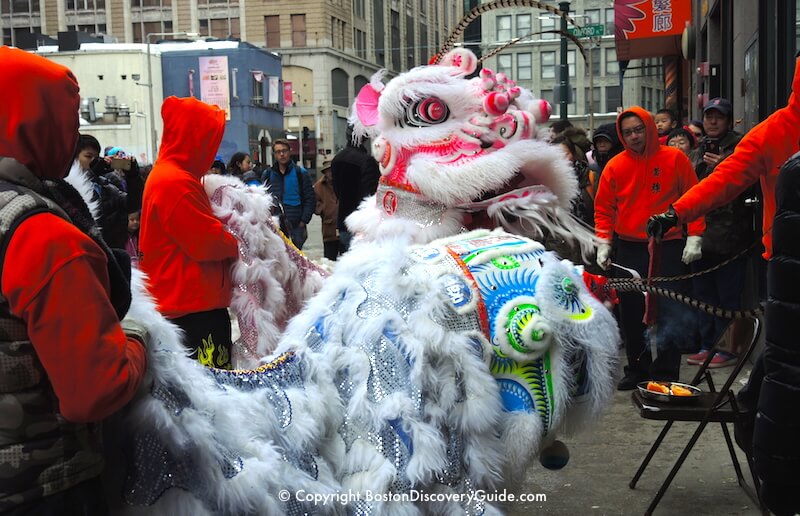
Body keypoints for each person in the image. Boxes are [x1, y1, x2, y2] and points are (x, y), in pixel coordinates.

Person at [647, 58, 800, 515]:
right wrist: (679, 211)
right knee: (784, 372)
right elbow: (726, 179)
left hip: (783, 266)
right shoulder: (778, 129)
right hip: (789, 271)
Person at [0, 46, 148, 514]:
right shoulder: (43, 236)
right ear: (38, 121)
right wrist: (139, 339)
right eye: (71, 116)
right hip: (42, 484)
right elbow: (95, 389)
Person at [594, 107, 705, 390]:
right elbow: (604, 209)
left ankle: (667, 371)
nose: (633, 136)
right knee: (631, 311)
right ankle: (638, 369)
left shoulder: (675, 158)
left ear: (649, 128)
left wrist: (695, 235)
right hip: (630, 248)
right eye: (628, 132)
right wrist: (604, 242)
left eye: (638, 129)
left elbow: (693, 198)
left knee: (670, 309)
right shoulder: (615, 166)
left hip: (668, 246)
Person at [139, 96, 240, 370]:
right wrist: (240, 238)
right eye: (209, 140)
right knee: (212, 391)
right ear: (193, 138)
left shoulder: (172, 176)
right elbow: (207, 243)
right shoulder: (175, 182)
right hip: (191, 309)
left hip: (188, 303)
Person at [684, 98, 751, 368]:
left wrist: (724, 166)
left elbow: (749, 183)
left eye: (719, 117)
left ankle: (728, 350)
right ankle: (707, 345)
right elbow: (690, 188)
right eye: (709, 116)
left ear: (727, 120)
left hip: (731, 237)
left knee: (727, 298)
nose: (713, 122)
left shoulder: (741, 147)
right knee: (703, 295)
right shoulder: (696, 151)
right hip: (699, 235)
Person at [74, 135, 144, 248]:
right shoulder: (65, 185)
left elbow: (132, 204)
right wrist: (91, 174)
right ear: (74, 157)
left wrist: (133, 176)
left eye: (96, 157)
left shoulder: (105, 183)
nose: (93, 161)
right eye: (88, 156)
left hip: (112, 250)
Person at [331, 127, 381, 252]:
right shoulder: (366, 161)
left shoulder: (337, 159)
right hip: (361, 222)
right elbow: (370, 193)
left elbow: (336, 190)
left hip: (343, 219)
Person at [265, 139, 316, 250]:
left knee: (297, 259)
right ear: (274, 154)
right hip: (276, 225)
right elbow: (263, 198)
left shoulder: (300, 173)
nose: (282, 154)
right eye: (278, 152)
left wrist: (304, 220)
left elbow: (310, 198)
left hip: (297, 224)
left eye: (284, 151)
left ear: (290, 152)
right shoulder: (268, 174)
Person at [313, 160, 340, 260]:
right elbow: (314, 204)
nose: (331, 173)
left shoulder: (342, 182)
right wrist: (323, 208)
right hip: (329, 228)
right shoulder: (318, 186)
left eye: (333, 170)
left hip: (343, 228)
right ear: (325, 172)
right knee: (329, 260)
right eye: (328, 171)